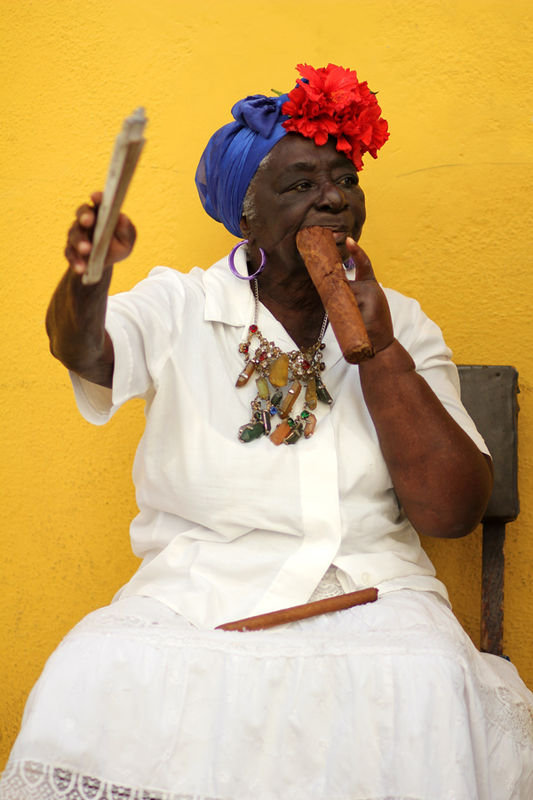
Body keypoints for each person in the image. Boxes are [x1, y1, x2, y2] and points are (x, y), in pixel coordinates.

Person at [1, 62, 532, 800]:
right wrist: (88, 280)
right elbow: (85, 348)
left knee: (423, 681)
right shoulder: (181, 303)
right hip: (195, 598)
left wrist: (379, 351)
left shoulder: (401, 319)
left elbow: (450, 512)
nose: (334, 199)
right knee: (93, 669)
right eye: (301, 184)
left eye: (345, 180)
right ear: (245, 217)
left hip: (374, 598)